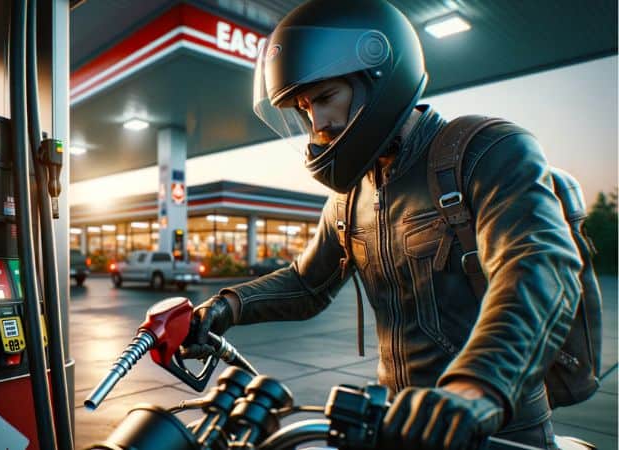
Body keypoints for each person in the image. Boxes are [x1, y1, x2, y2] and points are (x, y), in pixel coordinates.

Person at [179, 0, 583, 449]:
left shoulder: (485, 151)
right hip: (397, 425)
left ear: (378, 75)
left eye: (327, 98)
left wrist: (475, 389)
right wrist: (225, 308)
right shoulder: (349, 197)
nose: (318, 123)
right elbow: (306, 284)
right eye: (304, 108)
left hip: (498, 430)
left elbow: (537, 266)